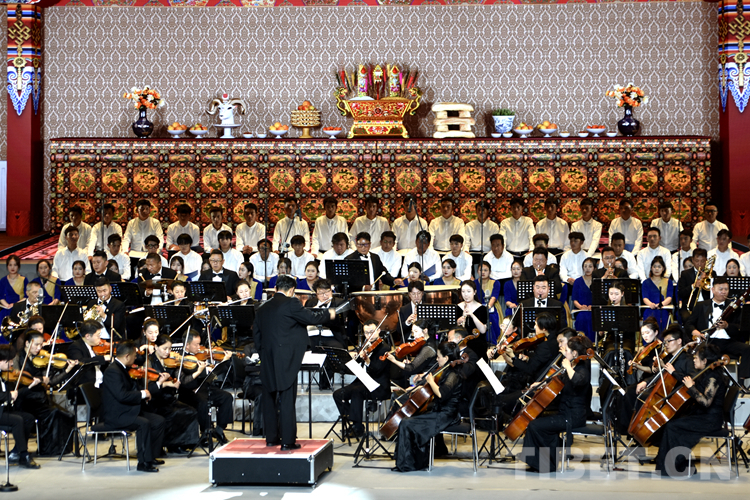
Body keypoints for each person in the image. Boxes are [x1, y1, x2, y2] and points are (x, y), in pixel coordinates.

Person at [252, 275, 340, 449]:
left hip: (267, 357)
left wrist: (263, 353)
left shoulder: (263, 307)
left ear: (276, 288)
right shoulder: (292, 303)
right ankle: (287, 441)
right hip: (286, 358)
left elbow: (256, 334)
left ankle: (271, 438)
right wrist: (329, 313)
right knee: (286, 398)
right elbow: (310, 318)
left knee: (269, 398)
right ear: (292, 290)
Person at [520, 335, 592, 473]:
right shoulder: (574, 366)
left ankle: (545, 464)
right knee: (538, 422)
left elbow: (577, 380)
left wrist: (568, 366)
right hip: (565, 412)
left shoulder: (582, 369)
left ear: (575, 353)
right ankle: (544, 463)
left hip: (573, 417)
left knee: (535, 426)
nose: (565, 353)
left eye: (567, 351)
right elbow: (558, 379)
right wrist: (540, 384)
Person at [654, 343, 726, 477]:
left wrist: (691, 388)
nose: (693, 360)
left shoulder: (713, 378)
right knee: (672, 423)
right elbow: (687, 380)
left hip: (710, 419)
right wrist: (674, 373)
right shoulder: (705, 373)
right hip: (702, 416)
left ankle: (676, 466)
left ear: (705, 361)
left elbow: (705, 402)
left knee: (673, 426)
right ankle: (676, 465)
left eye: (696, 358)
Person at [392, 341, 463, 472]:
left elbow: (441, 394)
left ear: (446, 358)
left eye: (438, 356)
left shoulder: (453, 374)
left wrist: (430, 381)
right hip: (439, 410)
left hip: (447, 414)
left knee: (407, 423)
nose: (437, 359)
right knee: (407, 421)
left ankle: (409, 463)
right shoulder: (445, 370)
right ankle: (411, 461)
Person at [101, 340, 166, 472]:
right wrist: (142, 394)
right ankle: (143, 463)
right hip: (117, 415)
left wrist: (145, 391)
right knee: (143, 424)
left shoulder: (123, 369)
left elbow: (130, 390)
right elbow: (121, 395)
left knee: (159, 421)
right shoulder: (113, 371)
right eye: (134, 355)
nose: (136, 358)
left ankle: (151, 456)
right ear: (127, 356)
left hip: (128, 411)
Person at [13, 330, 77, 456]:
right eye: (36, 345)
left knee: (67, 414)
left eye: (41, 345)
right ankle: (48, 449)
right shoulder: (17, 358)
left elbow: (51, 382)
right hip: (26, 401)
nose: (39, 348)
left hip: (40, 399)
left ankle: (60, 449)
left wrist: (67, 370)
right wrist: (37, 380)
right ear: (27, 343)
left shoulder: (40, 359)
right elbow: (17, 380)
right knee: (54, 413)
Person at [686, 276, 750, 385]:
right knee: (696, 354)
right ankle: (698, 383)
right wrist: (695, 332)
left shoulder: (734, 307)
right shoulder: (701, 305)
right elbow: (688, 324)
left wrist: (727, 326)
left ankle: (740, 384)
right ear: (713, 290)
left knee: (747, 349)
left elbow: (740, 328)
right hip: (709, 341)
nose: (724, 292)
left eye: (726, 289)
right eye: (721, 289)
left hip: (728, 342)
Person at [333, 320, 390, 439]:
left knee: (357, 392)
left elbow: (377, 370)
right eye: (366, 333)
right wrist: (354, 358)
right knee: (338, 394)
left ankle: (357, 427)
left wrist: (368, 361)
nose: (369, 335)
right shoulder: (366, 345)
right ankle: (354, 423)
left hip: (378, 385)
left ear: (378, 330)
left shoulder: (384, 348)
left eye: (372, 332)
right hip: (362, 382)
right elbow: (356, 362)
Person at [177, 329, 234, 444]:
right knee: (203, 402)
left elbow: (213, 376)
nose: (199, 348)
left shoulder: (200, 356)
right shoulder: (180, 358)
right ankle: (205, 432)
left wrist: (223, 362)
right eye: (196, 345)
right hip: (189, 391)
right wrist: (203, 371)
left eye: (200, 344)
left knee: (227, 397)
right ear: (187, 345)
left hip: (204, 387)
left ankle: (219, 429)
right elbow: (185, 381)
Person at [146, 334, 199, 454]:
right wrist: (166, 384)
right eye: (164, 348)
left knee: (191, 411)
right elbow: (149, 387)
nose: (167, 352)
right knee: (176, 413)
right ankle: (172, 444)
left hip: (169, 398)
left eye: (169, 349)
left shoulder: (172, 361)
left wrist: (195, 371)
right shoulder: (149, 362)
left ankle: (184, 443)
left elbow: (182, 379)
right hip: (156, 401)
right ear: (156, 347)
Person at [0, 344, 40, 468]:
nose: (12, 364)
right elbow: (5, 395)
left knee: (29, 418)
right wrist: (8, 395)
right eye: (9, 361)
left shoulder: (4, 375)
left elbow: (15, 394)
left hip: (4, 411)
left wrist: (30, 386)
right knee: (17, 420)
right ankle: (24, 455)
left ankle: (16, 451)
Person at [67, 320, 112, 387]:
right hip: (88, 387)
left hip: (102, 383)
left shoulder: (95, 346)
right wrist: (103, 358)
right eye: (98, 335)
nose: (100, 338)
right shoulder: (75, 347)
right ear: (87, 336)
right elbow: (80, 362)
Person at [455, 280, 488, 359]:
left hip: (478, 345)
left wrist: (472, 315)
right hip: (461, 345)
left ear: (474, 292)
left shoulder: (482, 309)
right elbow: (451, 330)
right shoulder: (457, 307)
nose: (465, 294)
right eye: (463, 291)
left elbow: (483, 330)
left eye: (468, 291)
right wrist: (457, 323)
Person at [642, 256, 674, 330]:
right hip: (650, 309)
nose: (656, 269)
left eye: (659, 267)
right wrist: (650, 304)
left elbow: (669, 297)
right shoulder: (646, 282)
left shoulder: (668, 282)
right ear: (651, 268)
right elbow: (645, 298)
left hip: (663, 308)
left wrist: (661, 304)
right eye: (654, 266)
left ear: (663, 268)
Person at [572, 258, 596, 342]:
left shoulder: (597, 281)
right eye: (585, 266)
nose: (587, 269)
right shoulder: (577, 281)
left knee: (592, 318)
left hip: (593, 309)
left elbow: (600, 299)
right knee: (582, 317)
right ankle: (581, 342)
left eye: (590, 266)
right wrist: (580, 307)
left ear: (594, 268)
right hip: (581, 310)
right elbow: (574, 300)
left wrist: (593, 306)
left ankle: (593, 343)